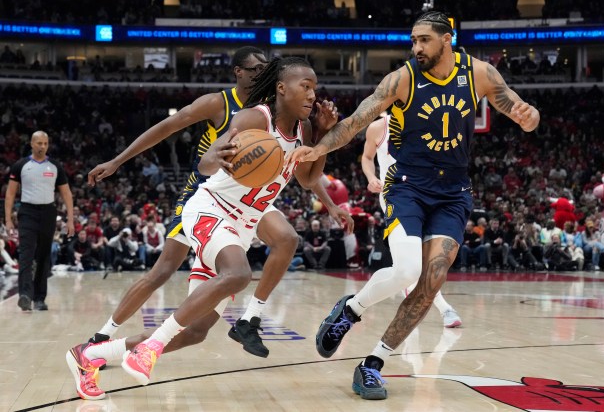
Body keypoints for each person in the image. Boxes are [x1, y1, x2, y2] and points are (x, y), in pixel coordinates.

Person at [287, 11, 540, 400]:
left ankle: (371, 365)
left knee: (430, 283)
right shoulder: (403, 78)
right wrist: (320, 147)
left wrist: (530, 117)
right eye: (413, 40)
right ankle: (350, 310)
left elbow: (520, 110)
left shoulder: (481, 74)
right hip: (407, 187)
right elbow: (355, 121)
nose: (416, 47)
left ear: (447, 38)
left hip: (453, 194)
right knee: (407, 268)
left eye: (424, 40)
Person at [65, 55, 347, 400]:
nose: (313, 95)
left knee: (196, 331)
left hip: (243, 223)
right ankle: (150, 347)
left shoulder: (304, 129)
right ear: (281, 88)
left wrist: (323, 136)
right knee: (238, 273)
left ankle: (89, 355)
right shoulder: (254, 118)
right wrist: (220, 156)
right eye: (306, 86)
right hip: (211, 209)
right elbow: (205, 162)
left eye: (315, 88)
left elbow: (306, 179)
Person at [361, 114, 462, 327]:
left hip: (428, 193)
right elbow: (367, 157)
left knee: (422, 260)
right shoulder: (379, 127)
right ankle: (445, 309)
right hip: (396, 194)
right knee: (420, 261)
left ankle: (409, 287)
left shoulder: (430, 122)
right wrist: (371, 178)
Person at [4, 130, 75, 311]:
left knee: (43, 256)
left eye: (45, 143)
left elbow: (66, 194)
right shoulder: (20, 165)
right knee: (26, 254)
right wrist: (8, 219)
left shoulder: (55, 166)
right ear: (32, 144)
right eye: (39, 143)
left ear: (48, 145)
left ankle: (40, 298)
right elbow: (10, 194)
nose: (42, 146)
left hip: (48, 213)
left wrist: (70, 221)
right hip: (27, 212)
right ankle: (25, 295)